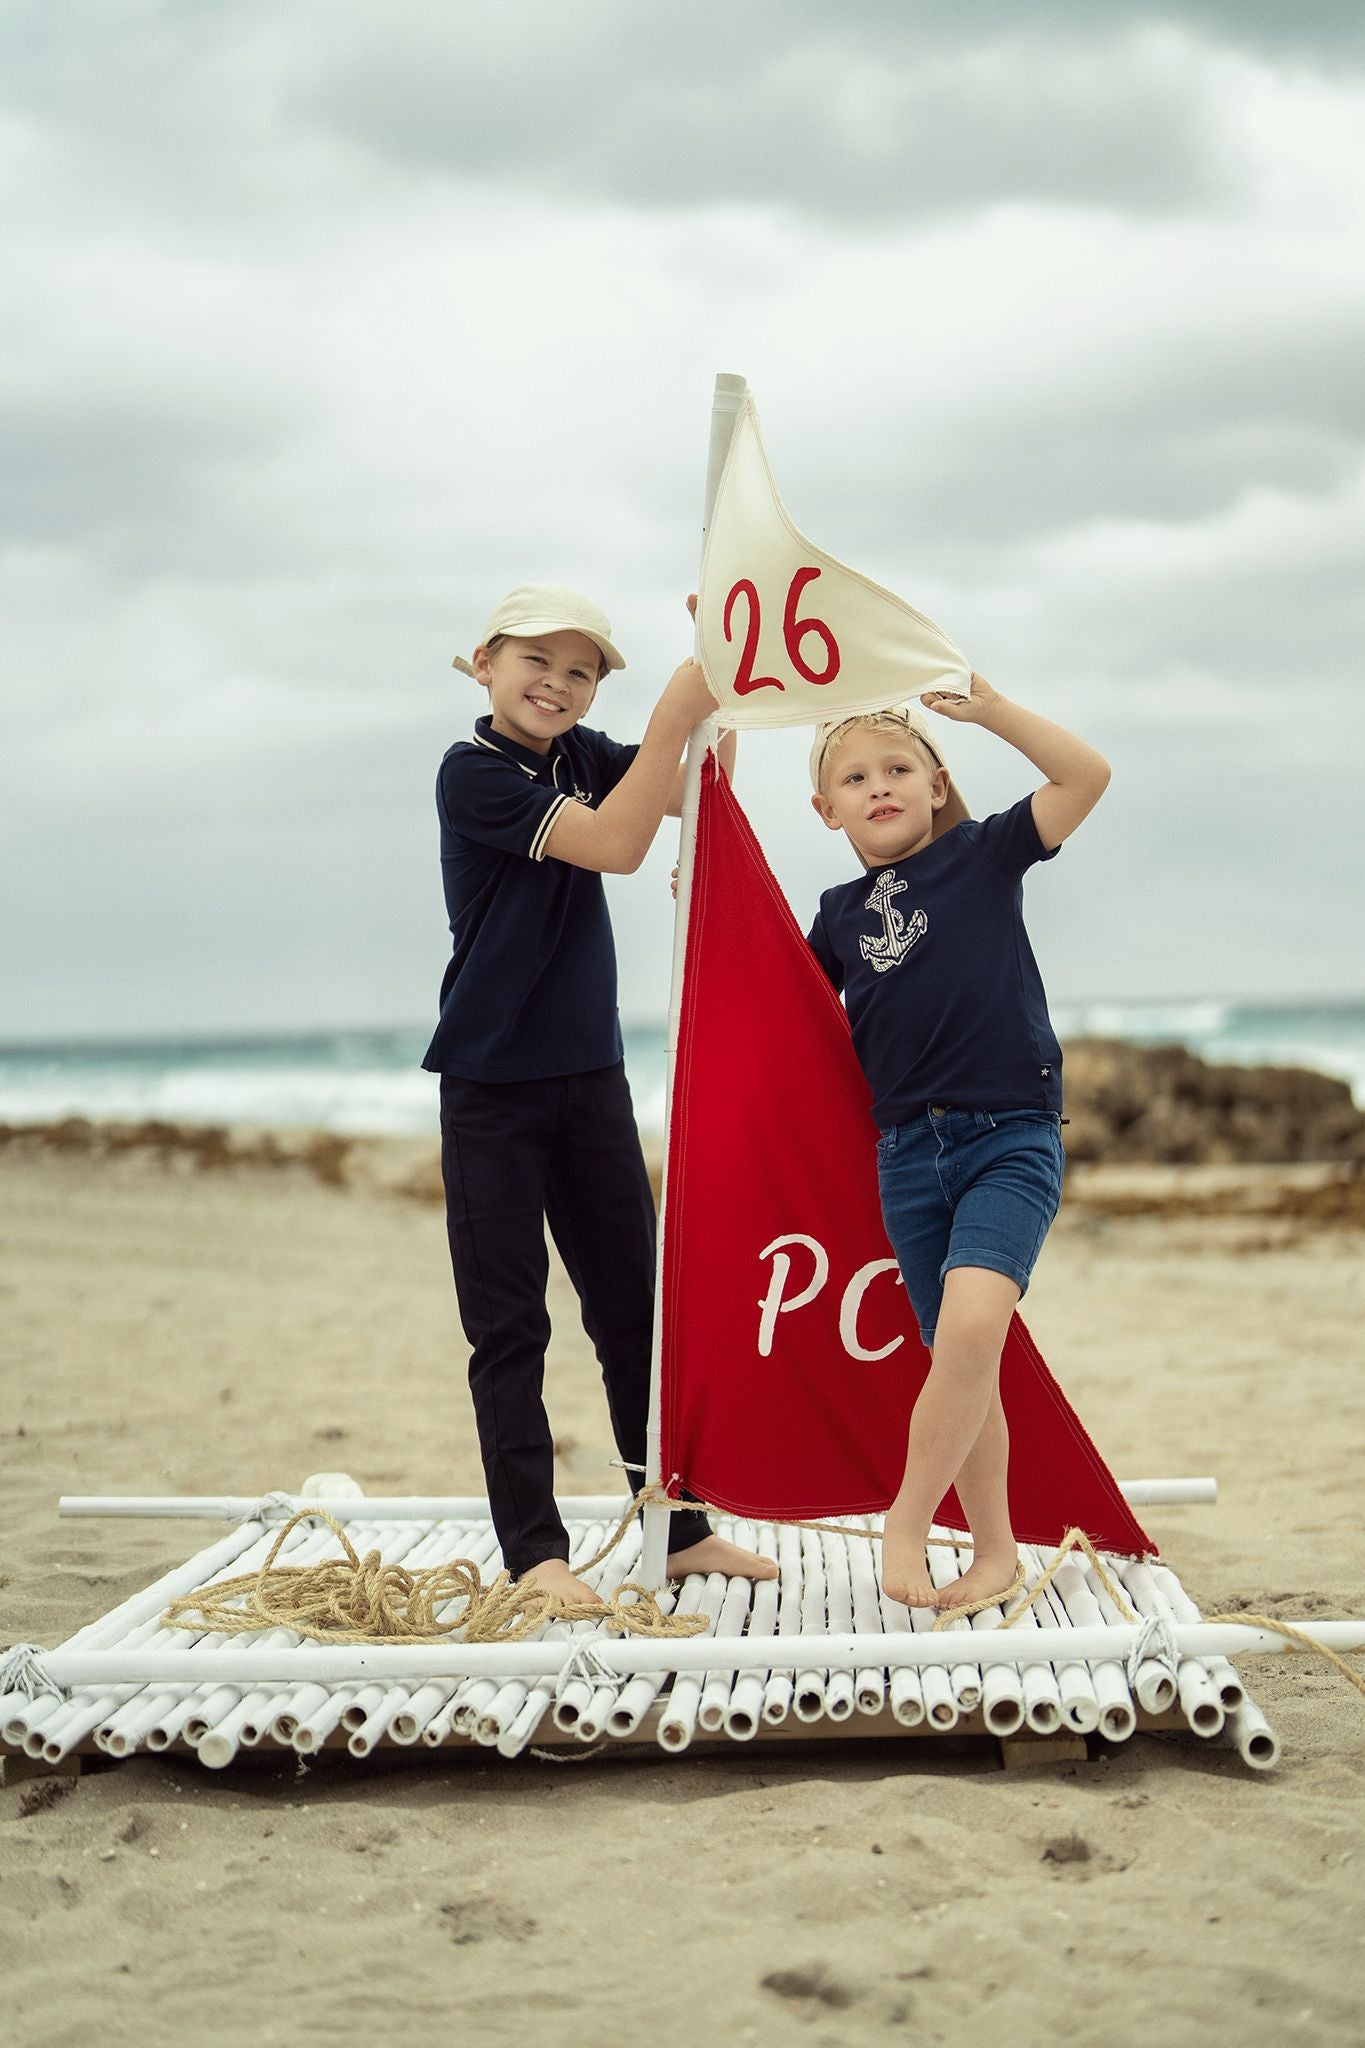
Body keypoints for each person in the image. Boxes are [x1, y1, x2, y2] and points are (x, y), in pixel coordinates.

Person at [424, 583, 777, 1607]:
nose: (560, 683)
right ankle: (536, 1552)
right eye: (538, 659)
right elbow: (620, 844)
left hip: (588, 1078)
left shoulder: (584, 755)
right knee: (511, 1327)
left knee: (636, 1313)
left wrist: (711, 683)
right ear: (486, 662)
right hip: (490, 1086)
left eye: (581, 669)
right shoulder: (471, 775)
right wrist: (674, 706)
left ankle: (677, 1528)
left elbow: (697, 789)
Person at [805, 680, 1110, 1613]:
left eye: (897, 768)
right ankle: (992, 1552)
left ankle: (906, 1517)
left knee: (975, 1330)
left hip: (1008, 1134)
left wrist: (989, 711)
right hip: (905, 1154)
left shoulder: (984, 855)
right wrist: (701, 886)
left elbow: (1085, 774)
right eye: (854, 777)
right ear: (826, 810)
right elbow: (780, 1008)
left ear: (936, 784)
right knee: (958, 1357)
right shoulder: (835, 912)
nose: (878, 785)